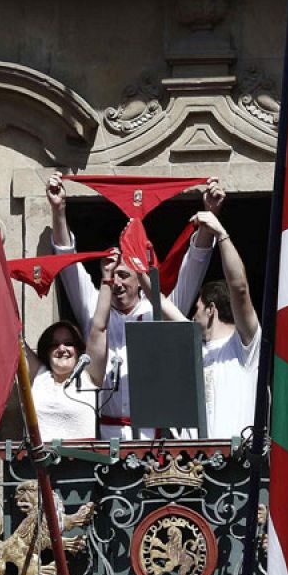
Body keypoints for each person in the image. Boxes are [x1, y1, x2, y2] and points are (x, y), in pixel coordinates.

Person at [48, 176, 215, 439]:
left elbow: (194, 266)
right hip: (108, 436)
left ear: (140, 278)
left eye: (124, 275)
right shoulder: (94, 306)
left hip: (157, 440)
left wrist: (209, 217)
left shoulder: (159, 308)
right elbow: (67, 265)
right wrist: (58, 211)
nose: (116, 282)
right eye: (112, 275)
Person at [185, 211, 260, 439]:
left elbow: (239, 288)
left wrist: (221, 235)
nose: (191, 317)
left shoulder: (245, 346)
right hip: (189, 467)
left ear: (211, 309)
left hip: (235, 467)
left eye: (196, 308)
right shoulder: (192, 350)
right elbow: (163, 307)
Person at [23, 321, 98, 441]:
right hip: (39, 458)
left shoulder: (89, 377)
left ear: (78, 350)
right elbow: (14, 338)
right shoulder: (39, 376)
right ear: (46, 351)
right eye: (54, 344)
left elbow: (99, 328)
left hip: (83, 458)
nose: (62, 348)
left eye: (68, 343)